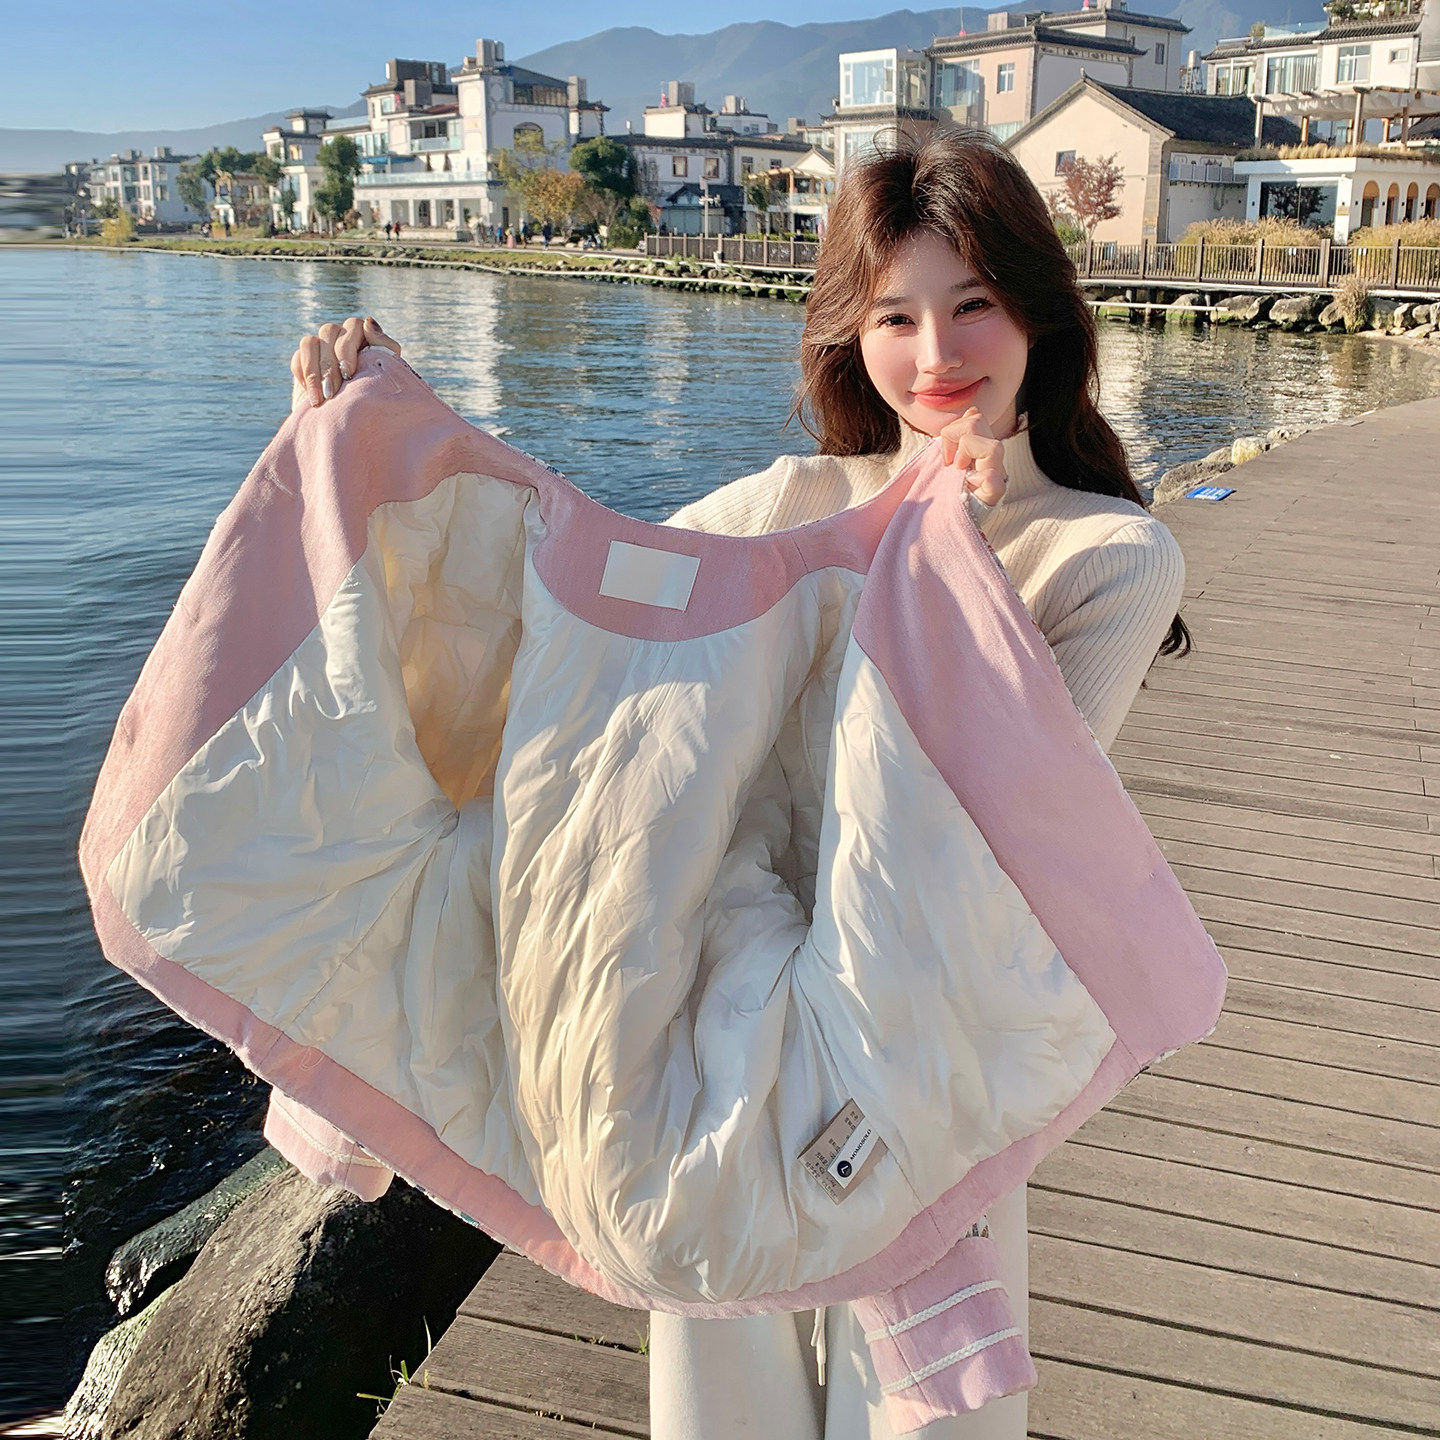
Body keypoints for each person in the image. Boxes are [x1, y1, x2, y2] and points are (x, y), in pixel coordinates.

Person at [284, 126, 1189, 1439]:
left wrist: (951, 559)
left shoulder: (1110, 555)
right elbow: (575, 601)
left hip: (929, 1030)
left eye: (974, 304)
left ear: (1039, 315)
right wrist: (385, 431)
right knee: (725, 1379)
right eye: (896, 316)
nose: (936, 353)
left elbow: (1005, 825)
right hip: (719, 1023)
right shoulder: (791, 502)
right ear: (852, 335)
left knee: (920, 1416)